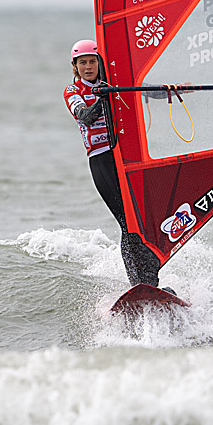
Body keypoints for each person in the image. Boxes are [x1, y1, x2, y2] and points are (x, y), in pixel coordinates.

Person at [63, 39, 163, 288]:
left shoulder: (111, 84)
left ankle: (151, 281)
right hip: (101, 161)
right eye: (83, 63)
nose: (88, 67)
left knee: (142, 219)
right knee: (126, 222)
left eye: (92, 61)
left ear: (100, 63)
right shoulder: (73, 91)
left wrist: (175, 89)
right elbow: (85, 117)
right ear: (75, 66)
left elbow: (143, 89)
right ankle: (138, 283)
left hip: (124, 158)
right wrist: (103, 98)